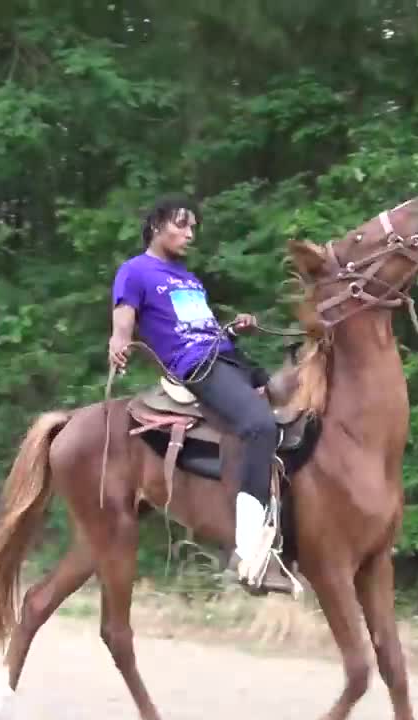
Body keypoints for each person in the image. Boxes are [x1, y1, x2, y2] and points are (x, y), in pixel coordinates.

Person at [108, 193, 277, 586]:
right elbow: (123, 324)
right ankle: (249, 550)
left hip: (228, 356)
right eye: (181, 225)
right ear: (156, 226)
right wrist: (118, 344)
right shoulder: (135, 271)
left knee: (296, 408)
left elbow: (203, 328)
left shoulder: (189, 279)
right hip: (196, 366)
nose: (189, 234)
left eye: (193, 227)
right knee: (259, 426)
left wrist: (233, 329)